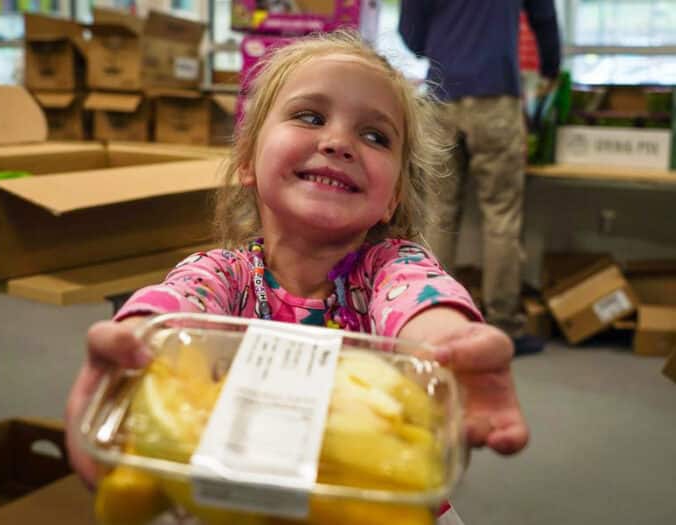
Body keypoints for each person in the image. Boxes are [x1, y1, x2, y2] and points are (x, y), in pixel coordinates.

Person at [65, 31, 529, 523]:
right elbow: (174, 307)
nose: (337, 143)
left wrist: (453, 346)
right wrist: (131, 351)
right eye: (310, 117)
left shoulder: (387, 268)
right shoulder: (227, 274)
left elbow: (419, 301)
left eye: (375, 136)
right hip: (236, 493)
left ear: (392, 196)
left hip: (378, 500)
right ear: (247, 160)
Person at [398, 1, 561, 355]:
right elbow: (544, 18)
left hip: (441, 94)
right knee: (501, 215)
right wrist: (551, 68)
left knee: (439, 213)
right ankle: (503, 325)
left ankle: (432, 320)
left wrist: (446, 45)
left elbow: (409, 34)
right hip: (496, 95)